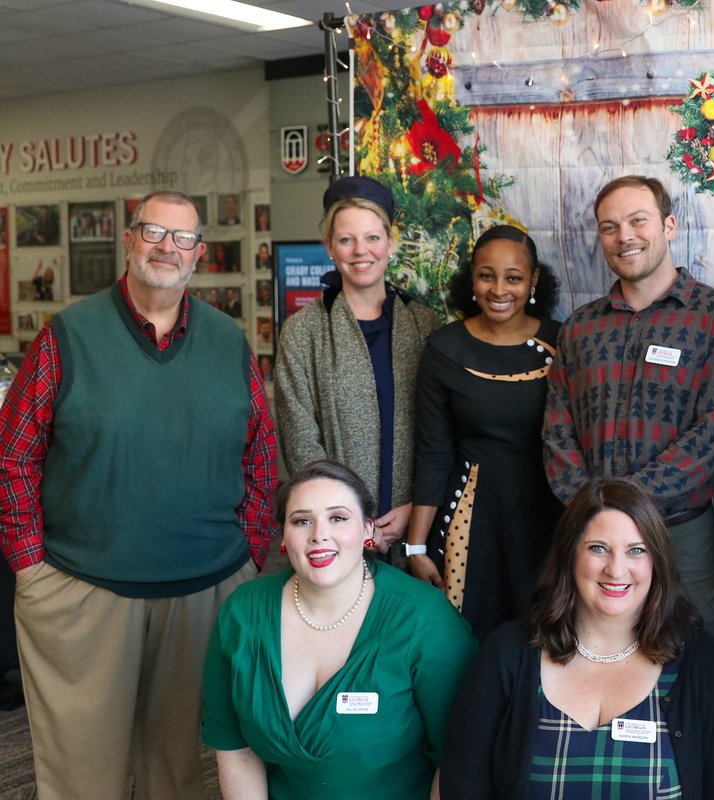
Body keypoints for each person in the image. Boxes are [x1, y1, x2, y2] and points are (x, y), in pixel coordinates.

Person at [0, 190, 277, 800]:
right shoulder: (68, 335)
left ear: (199, 255)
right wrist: (29, 565)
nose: (166, 248)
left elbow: (261, 456)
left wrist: (251, 552)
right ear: (129, 240)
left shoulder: (229, 343)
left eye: (181, 238)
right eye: (153, 232)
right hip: (83, 591)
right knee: (81, 777)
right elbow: (14, 456)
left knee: (176, 774)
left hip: (204, 590)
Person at [440, 477, 714, 799]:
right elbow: (463, 784)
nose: (616, 570)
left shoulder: (703, 664)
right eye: (598, 548)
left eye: (636, 551)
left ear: (656, 562)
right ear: (569, 555)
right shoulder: (508, 653)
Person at [543, 175, 714, 640]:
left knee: (692, 656)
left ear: (670, 226)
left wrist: (625, 506)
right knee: (591, 647)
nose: (625, 237)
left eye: (638, 221)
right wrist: (594, 510)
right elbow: (557, 430)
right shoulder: (580, 327)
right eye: (609, 227)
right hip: (590, 532)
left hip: (681, 533)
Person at [203, 460, 477, 800]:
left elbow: (459, 760)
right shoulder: (242, 613)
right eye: (302, 520)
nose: (319, 534)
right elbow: (236, 749)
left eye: (338, 518)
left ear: (367, 531)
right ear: (284, 537)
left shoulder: (426, 620)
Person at [409, 224, 563, 641]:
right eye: (486, 275)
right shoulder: (444, 348)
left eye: (513, 277)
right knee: (468, 642)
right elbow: (433, 452)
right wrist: (416, 546)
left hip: (551, 517)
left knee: (545, 640)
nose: (499, 289)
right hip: (470, 522)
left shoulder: (561, 341)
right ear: (471, 278)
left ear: (532, 282)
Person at [276, 175, 440, 554]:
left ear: (390, 243)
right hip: (333, 538)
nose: (360, 251)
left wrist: (418, 508)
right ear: (330, 247)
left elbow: (440, 434)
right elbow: (301, 442)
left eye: (372, 238)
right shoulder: (303, 332)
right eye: (346, 239)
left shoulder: (424, 325)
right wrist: (350, 521)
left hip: (413, 531)